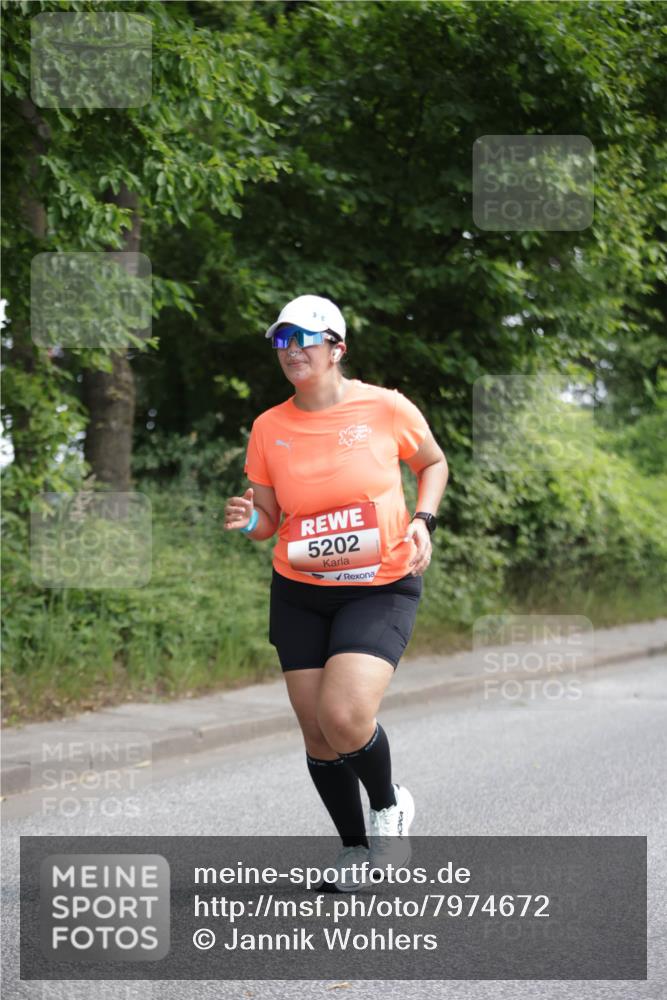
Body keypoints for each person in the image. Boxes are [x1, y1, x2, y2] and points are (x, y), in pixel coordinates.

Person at [224, 294, 448, 891]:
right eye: (281, 341)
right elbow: (269, 518)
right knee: (317, 730)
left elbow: (433, 463)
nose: (292, 350)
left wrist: (423, 519)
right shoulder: (269, 427)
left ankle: (389, 803)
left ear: (336, 347)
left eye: (305, 339)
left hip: (381, 584)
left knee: (344, 715)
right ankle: (355, 851)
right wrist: (249, 520)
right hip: (299, 588)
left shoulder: (385, 408)